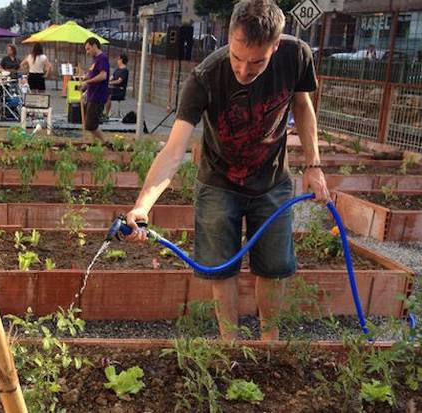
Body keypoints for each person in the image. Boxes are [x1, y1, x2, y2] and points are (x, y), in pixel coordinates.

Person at [124, 0, 330, 341]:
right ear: (228, 37)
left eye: (256, 62)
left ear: (276, 45)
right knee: (222, 269)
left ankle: (269, 342)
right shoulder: (205, 77)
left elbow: (302, 105)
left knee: (274, 268)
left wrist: (314, 165)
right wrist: (142, 206)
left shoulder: (296, 55)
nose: (243, 70)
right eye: (236, 57)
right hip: (219, 182)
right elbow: (174, 150)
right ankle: (230, 344)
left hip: (273, 180)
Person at [79, 37, 109, 141]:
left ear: (95, 46)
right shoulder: (96, 60)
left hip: (98, 95)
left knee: (90, 124)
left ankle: (106, 141)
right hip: (92, 95)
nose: (87, 52)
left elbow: (103, 76)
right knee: (91, 123)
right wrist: (85, 78)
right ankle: (96, 143)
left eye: (88, 49)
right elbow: (92, 74)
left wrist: (87, 82)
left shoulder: (102, 58)